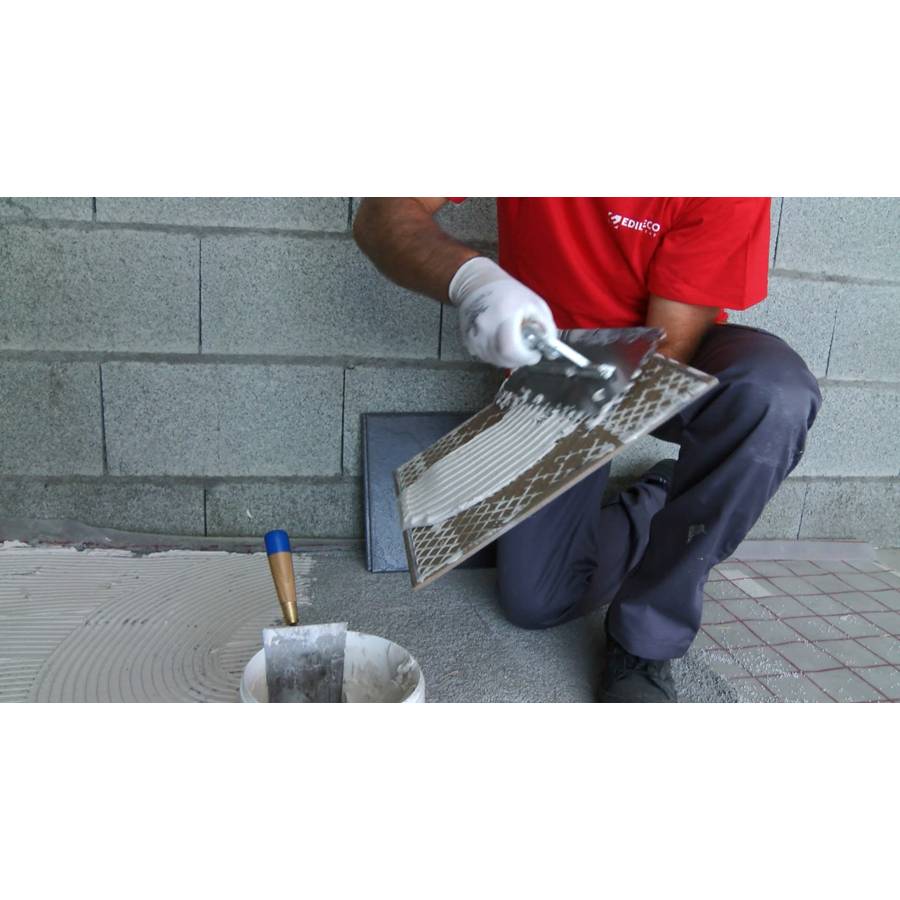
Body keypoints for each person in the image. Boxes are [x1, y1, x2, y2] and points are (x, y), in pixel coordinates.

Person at [353, 198, 821, 702]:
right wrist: (471, 280)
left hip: (662, 360)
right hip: (554, 373)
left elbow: (670, 346)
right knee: (536, 601)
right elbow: (382, 214)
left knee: (772, 395)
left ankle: (647, 637)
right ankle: (658, 497)